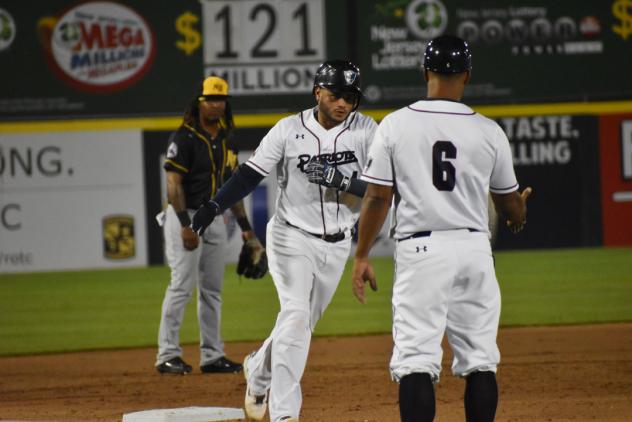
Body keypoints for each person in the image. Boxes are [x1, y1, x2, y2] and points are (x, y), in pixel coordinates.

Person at [351, 35, 532, 422]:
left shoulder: (395, 124)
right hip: (474, 250)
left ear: (424, 72)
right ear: (467, 75)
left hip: (422, 250)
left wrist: (363, 254)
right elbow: (508, 203)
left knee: (416, 360)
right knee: (481, 361)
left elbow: (378, 198)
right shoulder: (488, 131)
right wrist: (518, 213)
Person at [191, 60, 377, 421]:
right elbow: (248, 175)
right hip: (291, 237)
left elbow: (383, 189)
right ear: (317, 92)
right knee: (295, 315)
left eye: (351, 97)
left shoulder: (368, 130)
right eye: (336, 94)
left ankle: (258, 370)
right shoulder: (289, 130)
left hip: (338, 243)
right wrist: (214, 206)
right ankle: (285, 414)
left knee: (300, 325)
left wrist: (342, 181)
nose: (343, 104)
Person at [155, 76, 266, 375]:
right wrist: (184, 224)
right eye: (211, 99)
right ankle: (167, 354)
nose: (216, 104)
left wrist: (245, 228)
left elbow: (233, 187)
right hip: (186, 216)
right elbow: (173, 183)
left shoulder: (227, 138)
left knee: (212, 290)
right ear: (200, 102)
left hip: (214, 218)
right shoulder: (184, 138)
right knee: (181, 286)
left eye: (221, 100)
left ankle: (212, 355)